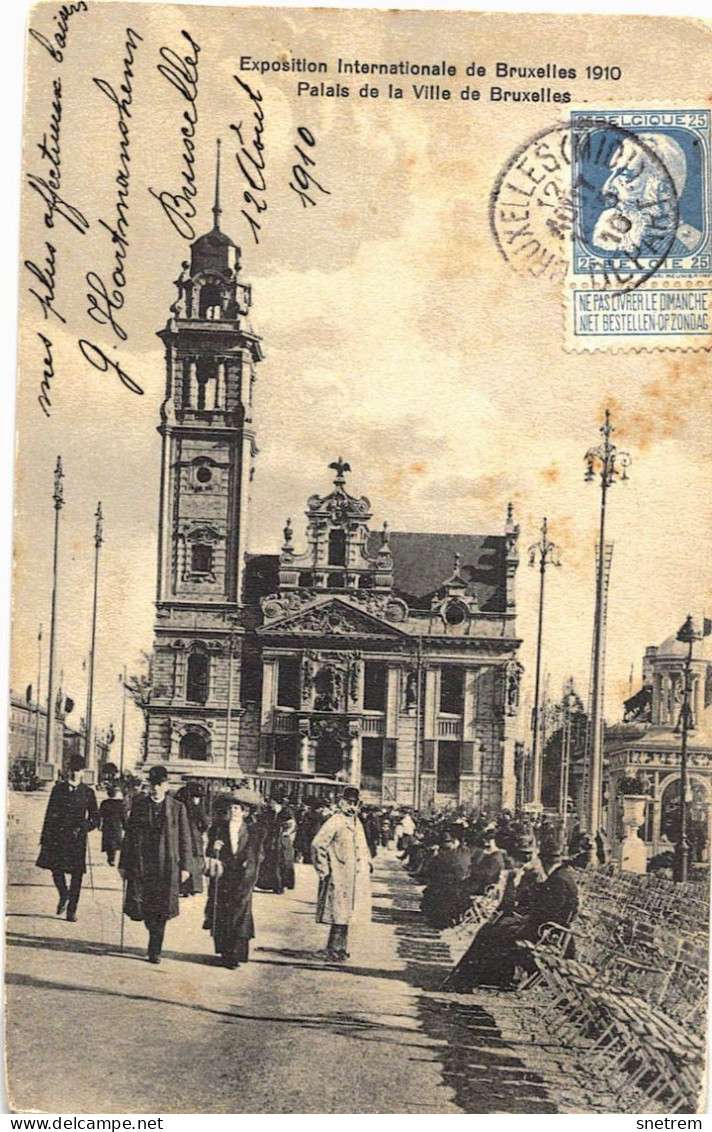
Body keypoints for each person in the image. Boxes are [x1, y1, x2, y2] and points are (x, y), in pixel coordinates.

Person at [444, 828, 545, 991]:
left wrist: (515, 916)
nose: (515, 862)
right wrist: (500, 915)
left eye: (525, 855)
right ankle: (476, 977)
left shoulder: (535, 875)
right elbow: (509, 901)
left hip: (531, 924)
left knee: (493, 934)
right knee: (486, 931)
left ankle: (490, 977)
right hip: (516, 917)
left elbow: (536, 906)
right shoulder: (517, 873)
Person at [119, 765, 192, 964]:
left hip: (166, 866)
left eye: (159, 784)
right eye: (152, 784)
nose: (155, 788)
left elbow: (185, 839)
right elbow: (129, 836)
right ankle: (153, 936)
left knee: (162, 909)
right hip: (142, 865)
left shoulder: (177, 808)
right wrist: (123, 864)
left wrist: (185, 866)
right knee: (145, 908)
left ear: (167, 785)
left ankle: (155, 950)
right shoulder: (140, 805)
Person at [203, 788, 265, 968]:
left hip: (244, 878)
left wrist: (250, 863)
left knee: (240, 913)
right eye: (231, 809)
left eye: (237, 809)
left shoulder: (254, 830)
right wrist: (214, 848)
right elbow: (209, 853)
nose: (233, 812)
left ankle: (237, 955)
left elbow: (259, 853)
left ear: (245, 812)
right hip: (223, 876)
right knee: (222, 912)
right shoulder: (218, 828)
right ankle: (225, 953)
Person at [36, 754, 99, 921]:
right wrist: (44, 838)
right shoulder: (58, 789)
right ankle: (64, 895)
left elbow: (96, 819)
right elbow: (49, 814)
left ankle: (72, 910)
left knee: (77, 875)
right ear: (67, 770)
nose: (74, 773)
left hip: (77, 840)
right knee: (56, 870)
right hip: (58, 837)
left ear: (83, 772)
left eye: (78, 771)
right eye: (72, 770)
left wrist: (84, 827)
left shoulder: (88, 793)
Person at [311, 786, 372, 961]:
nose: (352, 807)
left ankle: (341, 949)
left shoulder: (356, 822)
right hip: (339, 874)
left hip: (355, 877)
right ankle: (332, 949)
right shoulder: (335, 821)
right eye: (348, 803)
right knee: (338, 913)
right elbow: (317, 844)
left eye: (355, 803)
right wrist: (324, 869)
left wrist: (367, 864)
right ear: (341, 802)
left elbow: (363, 846)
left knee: (347, 914)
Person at [421, 829, 471, 928]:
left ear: (454, 841)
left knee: (434, 889)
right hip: (460, 881)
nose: (443, 845)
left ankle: (439, 918)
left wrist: (434, 856)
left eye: (445, 842)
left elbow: (432, 867)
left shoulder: (450, 854)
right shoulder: (464, 850)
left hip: (452, 882)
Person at [174, 779, 207, 896]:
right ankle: (192, 887)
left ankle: (184, 887)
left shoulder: (180, 802)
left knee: (186, 860)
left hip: (187, 837)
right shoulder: (195, 807)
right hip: (193, 837)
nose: (197, 800)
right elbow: (204, 823)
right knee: (192, 860)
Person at [99, 784, 126, 866]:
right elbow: (123, 816)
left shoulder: (104, 803)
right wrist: (125, 825)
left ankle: (110, 858)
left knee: (109, 843)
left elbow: (100, 814)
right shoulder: (120, 803)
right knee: (113, 843)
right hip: (116, 826)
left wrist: (99, 824)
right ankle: (112, 859)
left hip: (107, 825)